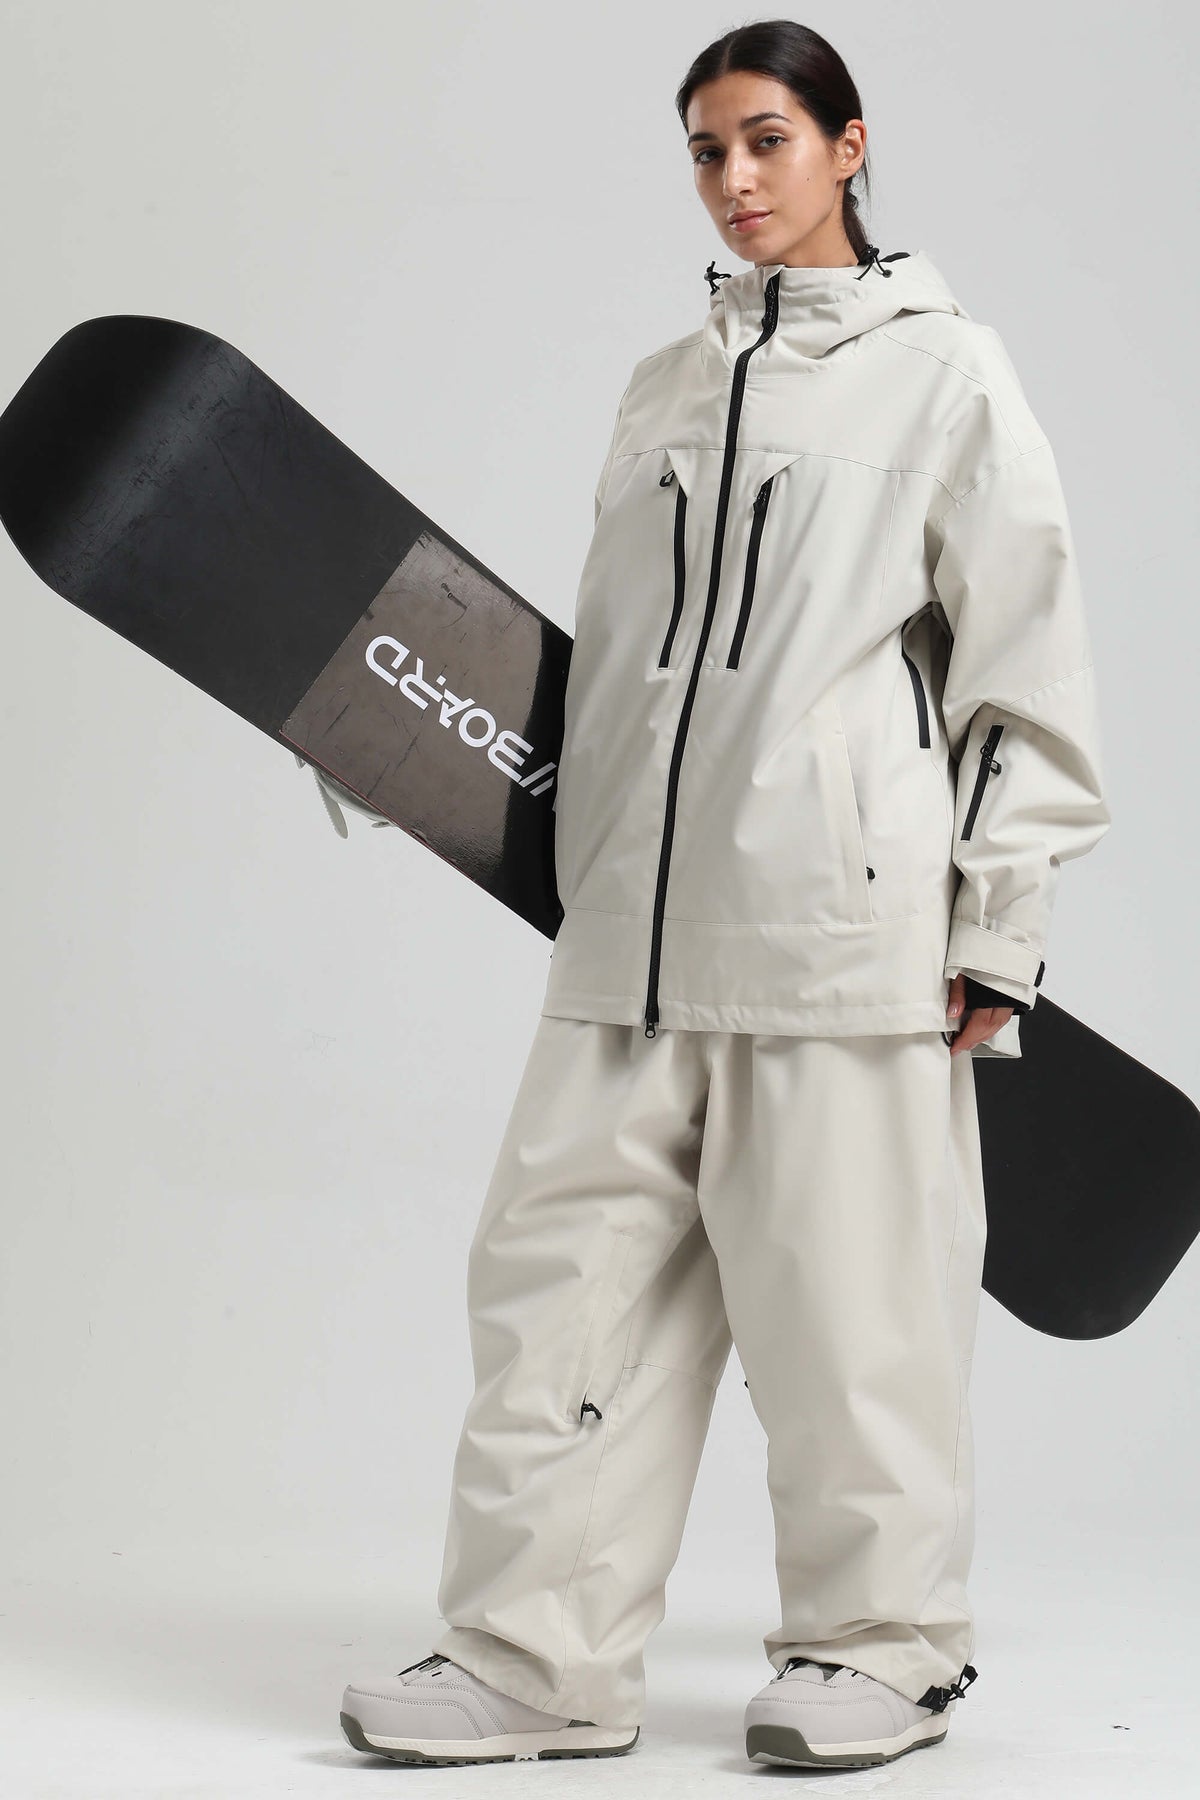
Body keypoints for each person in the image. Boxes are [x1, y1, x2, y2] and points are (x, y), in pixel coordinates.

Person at [338, 19, 1110, 1773]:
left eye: (767, 138)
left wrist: (1000, 926)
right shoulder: (662, 388)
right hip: (627, 944)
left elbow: (1029, 672)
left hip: (837, 936)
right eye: (705, 149)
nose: (735, 178)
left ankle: (881, 1653)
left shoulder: (949, 378)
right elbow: (622, 669)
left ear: (849, 144)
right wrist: (398, 736)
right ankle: (533, 1660)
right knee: (558, 1307)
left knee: (854, 1323)